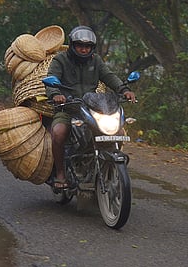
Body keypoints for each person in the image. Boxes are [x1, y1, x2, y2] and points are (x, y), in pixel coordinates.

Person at [45, 25, 136, 190]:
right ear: (72, 45)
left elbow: (109, 76)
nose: (84, 49)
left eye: (87, 46)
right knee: (58, 133)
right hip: (68, 107)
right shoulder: (60, 60)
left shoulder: (96, 61)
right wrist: (55, 94)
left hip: (92, 106)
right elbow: (51, 78)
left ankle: (107, 166)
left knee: (119, 131)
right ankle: (60, 173)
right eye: (80, 45)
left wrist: (124, 90)